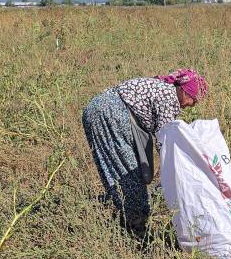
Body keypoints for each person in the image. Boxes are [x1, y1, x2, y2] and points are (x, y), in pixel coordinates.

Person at [82, 69, 208, 236]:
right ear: (185, 91)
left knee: (131, 174)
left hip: (104, 111)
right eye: (194, 99)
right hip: (109, 115)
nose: (192, 105)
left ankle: (130, 219)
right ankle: (135, 230)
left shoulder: (166, 90)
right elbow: (166, 143)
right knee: (127, 175)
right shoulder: (170, 98)